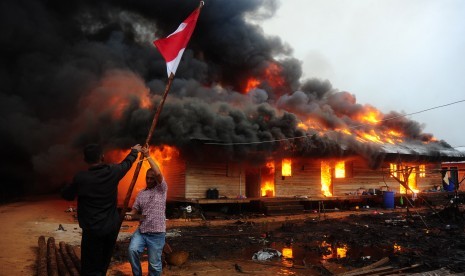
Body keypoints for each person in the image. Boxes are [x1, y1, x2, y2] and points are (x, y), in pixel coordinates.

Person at [61, 143, 142, 276]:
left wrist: (64, 187)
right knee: (103, 262)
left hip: (92, 229)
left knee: (89, 264)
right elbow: (127, 164)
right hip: (110, 228)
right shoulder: (113, 171)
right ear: (102, 156)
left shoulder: (81, 178)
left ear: (85, 160)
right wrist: (134, 152)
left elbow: (67, 195)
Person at [125, 147, 168, 276]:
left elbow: (158, 173)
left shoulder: (161, 190)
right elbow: (135, 210)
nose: (149, 180)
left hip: (157, 234)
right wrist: (130, 215)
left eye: (152, 178)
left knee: (154, 264)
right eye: (147, 178)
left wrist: (148, 156)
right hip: (142, 231)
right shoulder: (141, 194)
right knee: (132, 250)